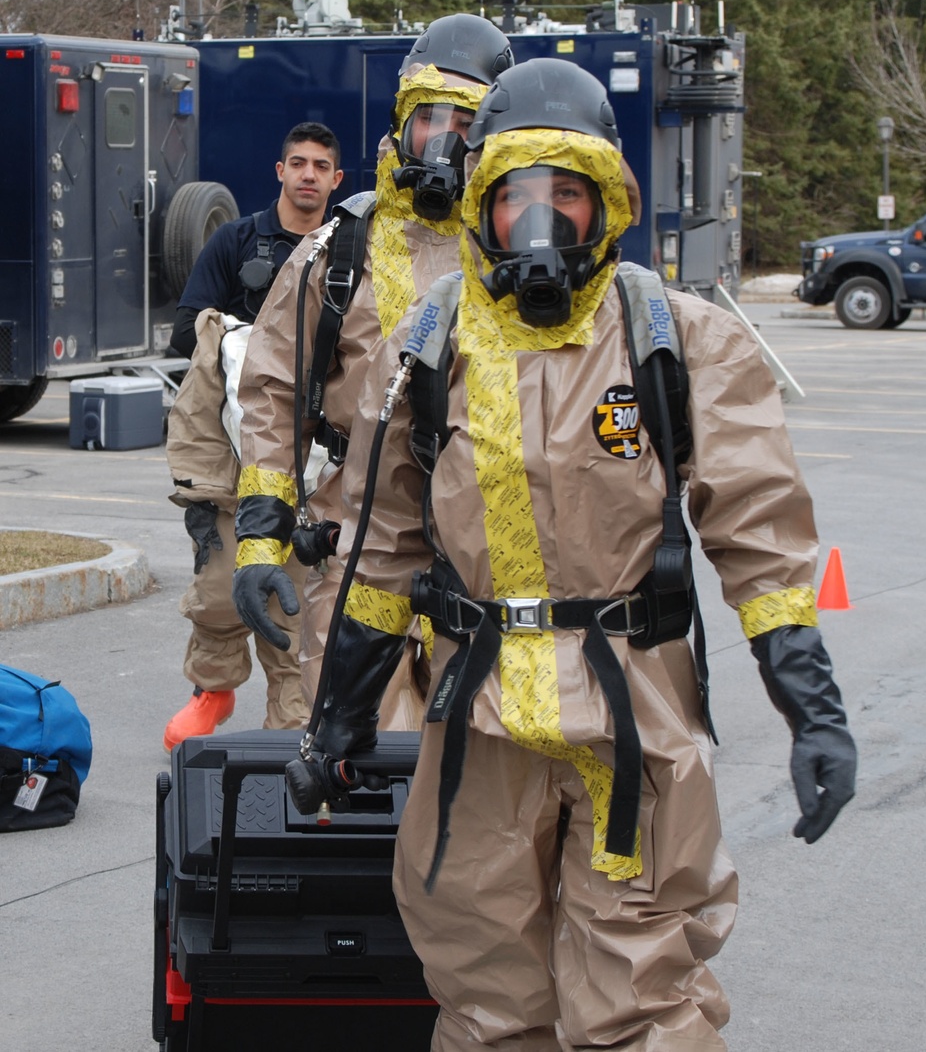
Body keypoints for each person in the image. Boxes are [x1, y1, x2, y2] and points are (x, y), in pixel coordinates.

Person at [290, 59, 857, 1050]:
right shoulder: (432, 343)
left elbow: (758, 534)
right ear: (481, 205)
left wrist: (813, 709)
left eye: (568, 194)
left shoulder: (674, 337)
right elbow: (381, 554)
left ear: (609, 203)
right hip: (477, 722)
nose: (542, 221)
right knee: (486, 994)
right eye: (516, 196)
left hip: (629, 721)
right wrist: (333, 721)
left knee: (637, 995)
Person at [230, 15, 514, 728]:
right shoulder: (339, 251)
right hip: (358, 538)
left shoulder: (518, 249)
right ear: (401, 122)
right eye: (429, 120)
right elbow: (272, 393)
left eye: (464, 122)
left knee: (488, 763)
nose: (444, 141)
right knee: (346, 749)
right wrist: (261, 541)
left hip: (496, 554)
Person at [163, 122, 344, 751]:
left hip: (318, 457)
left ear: (337, 179)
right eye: (298, 162)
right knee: (219, 583)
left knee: (296, 591)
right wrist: (246, 339)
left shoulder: (350, 253)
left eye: (321, 166)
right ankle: (211, 689)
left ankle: (291, 722)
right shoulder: (234, 242)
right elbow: (185, 333)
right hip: (230, 453)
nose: (309, 175)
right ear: (280, 170)